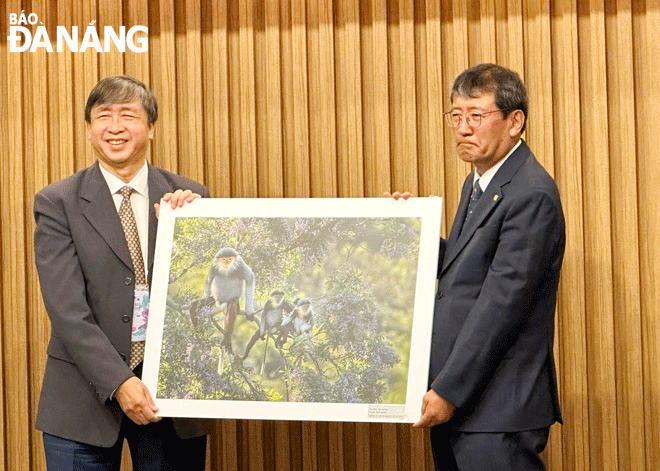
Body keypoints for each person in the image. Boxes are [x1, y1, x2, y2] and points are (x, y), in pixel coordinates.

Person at [392, 63, 565, 470]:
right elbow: (465, 272)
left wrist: (447, 391)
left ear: (514, 122)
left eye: (476, 115)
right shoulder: (480, 182)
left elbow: (501, 307)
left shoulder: (530, 193)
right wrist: (405, 232)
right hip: (469, 402)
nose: (463, 128)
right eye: (456, 115)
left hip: (496, 407)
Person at [34, 75, 211, 469]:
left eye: (128, 115)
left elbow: (206, 297)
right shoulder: (58, 201)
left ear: (150, 127)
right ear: (89, 131)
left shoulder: (187, 198)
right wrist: (120, 381)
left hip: (171, 400)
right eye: (103, 117)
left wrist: (197, 227)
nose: (115, 127)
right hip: (82, 399)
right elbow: (67, 311)